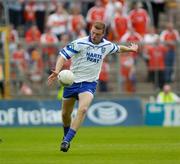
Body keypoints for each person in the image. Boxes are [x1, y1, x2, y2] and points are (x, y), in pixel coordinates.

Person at [48, 21, 138, 152]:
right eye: (93, 32)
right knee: (65, 115)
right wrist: (57, 70)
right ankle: (66, 135)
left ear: (103, 34)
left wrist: (130, 49)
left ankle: (67, 141)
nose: (94, 35)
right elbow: (63, 55)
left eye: (97, 34)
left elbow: (118, 48)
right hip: (72, 82)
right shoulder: (80, 43)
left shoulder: (106, 45)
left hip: (89, 84)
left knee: (83, 109)